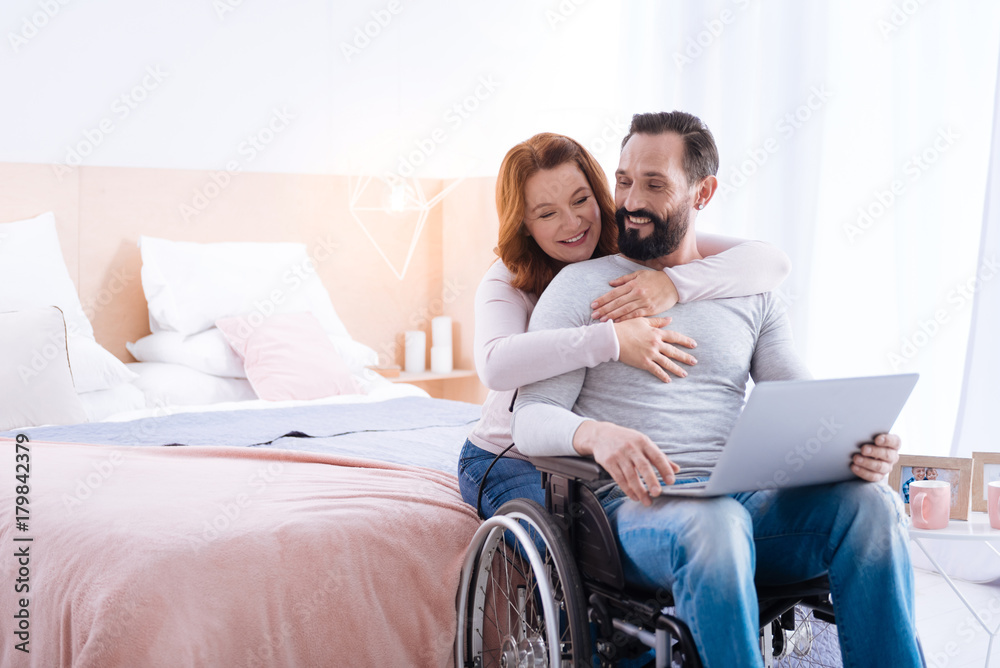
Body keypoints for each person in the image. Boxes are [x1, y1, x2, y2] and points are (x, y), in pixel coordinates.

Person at [511, 112, 922, 667]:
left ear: (702, 193)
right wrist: (595, 434)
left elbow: (797, 397)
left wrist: (855, 445)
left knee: (872, 506)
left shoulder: (748, 291)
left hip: (743, 497)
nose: (630, 199)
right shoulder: (579, 286)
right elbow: (531, 417)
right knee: (716, 523)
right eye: (624, 179)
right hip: (635, 511)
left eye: (654, 184)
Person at [458, 131, 793, 520]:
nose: (572, 222)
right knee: (558, 545)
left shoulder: (628, 245)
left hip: (580, 457)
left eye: (581, 200)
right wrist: (611, 339)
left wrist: (672, 285)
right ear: (525, 225)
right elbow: (495, 366)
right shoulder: (506, 279)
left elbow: (770, 262)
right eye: (547, 213)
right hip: (506, 454)